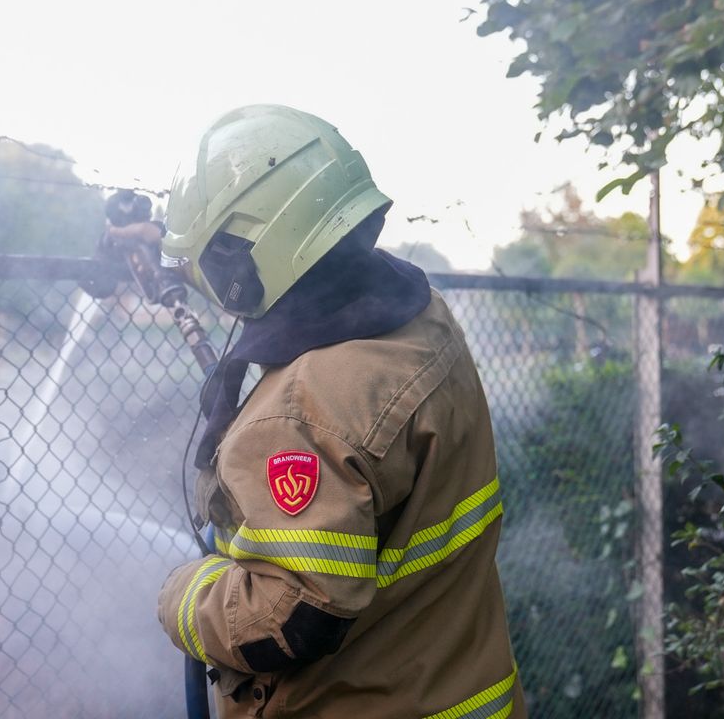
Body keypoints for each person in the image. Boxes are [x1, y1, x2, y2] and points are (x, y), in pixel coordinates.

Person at [152, 105, 526, 718]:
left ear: (241, 250)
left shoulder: (301, 411)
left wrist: (183, 597)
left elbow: (292, 620)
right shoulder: (421, 319)